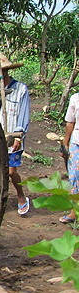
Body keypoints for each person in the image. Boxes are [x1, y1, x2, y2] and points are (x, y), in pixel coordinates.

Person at [0, 55, 31, 215]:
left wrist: (19, 136)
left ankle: (21, 196)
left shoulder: (21, 89)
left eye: (3, 71)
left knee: (11, 171)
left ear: (7, 71)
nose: (0, 75)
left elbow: (24, 114)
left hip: (13, 134)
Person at [59, 90, 79, 224]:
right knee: (74, 177)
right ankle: (74, 212)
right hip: (77, 143)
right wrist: (65, 144)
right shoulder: (76, 98)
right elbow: (70, 122)